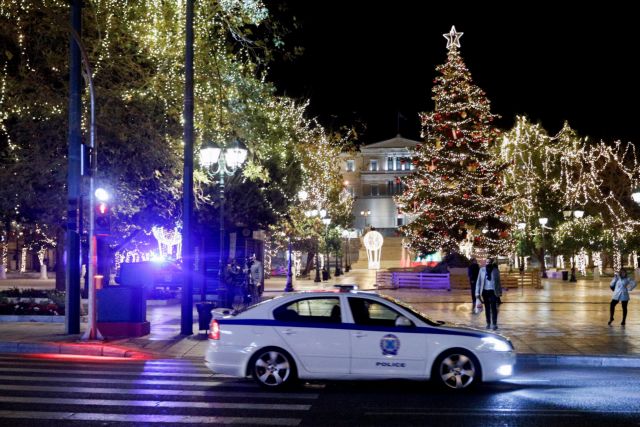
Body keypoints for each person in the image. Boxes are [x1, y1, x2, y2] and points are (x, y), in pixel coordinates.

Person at [475, 257, 502, 330]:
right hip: (485, 291)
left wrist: (499, 292)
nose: (488, 264)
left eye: (489, 262)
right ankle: (488, 323)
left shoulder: (495, 270)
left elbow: (498, 282)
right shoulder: (482, 270)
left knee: (494, 308)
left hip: (493, 291)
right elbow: (478, 282)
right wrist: (477, 293)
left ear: (491, 263)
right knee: (487, 308)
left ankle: (494, 323)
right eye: (487, 262)